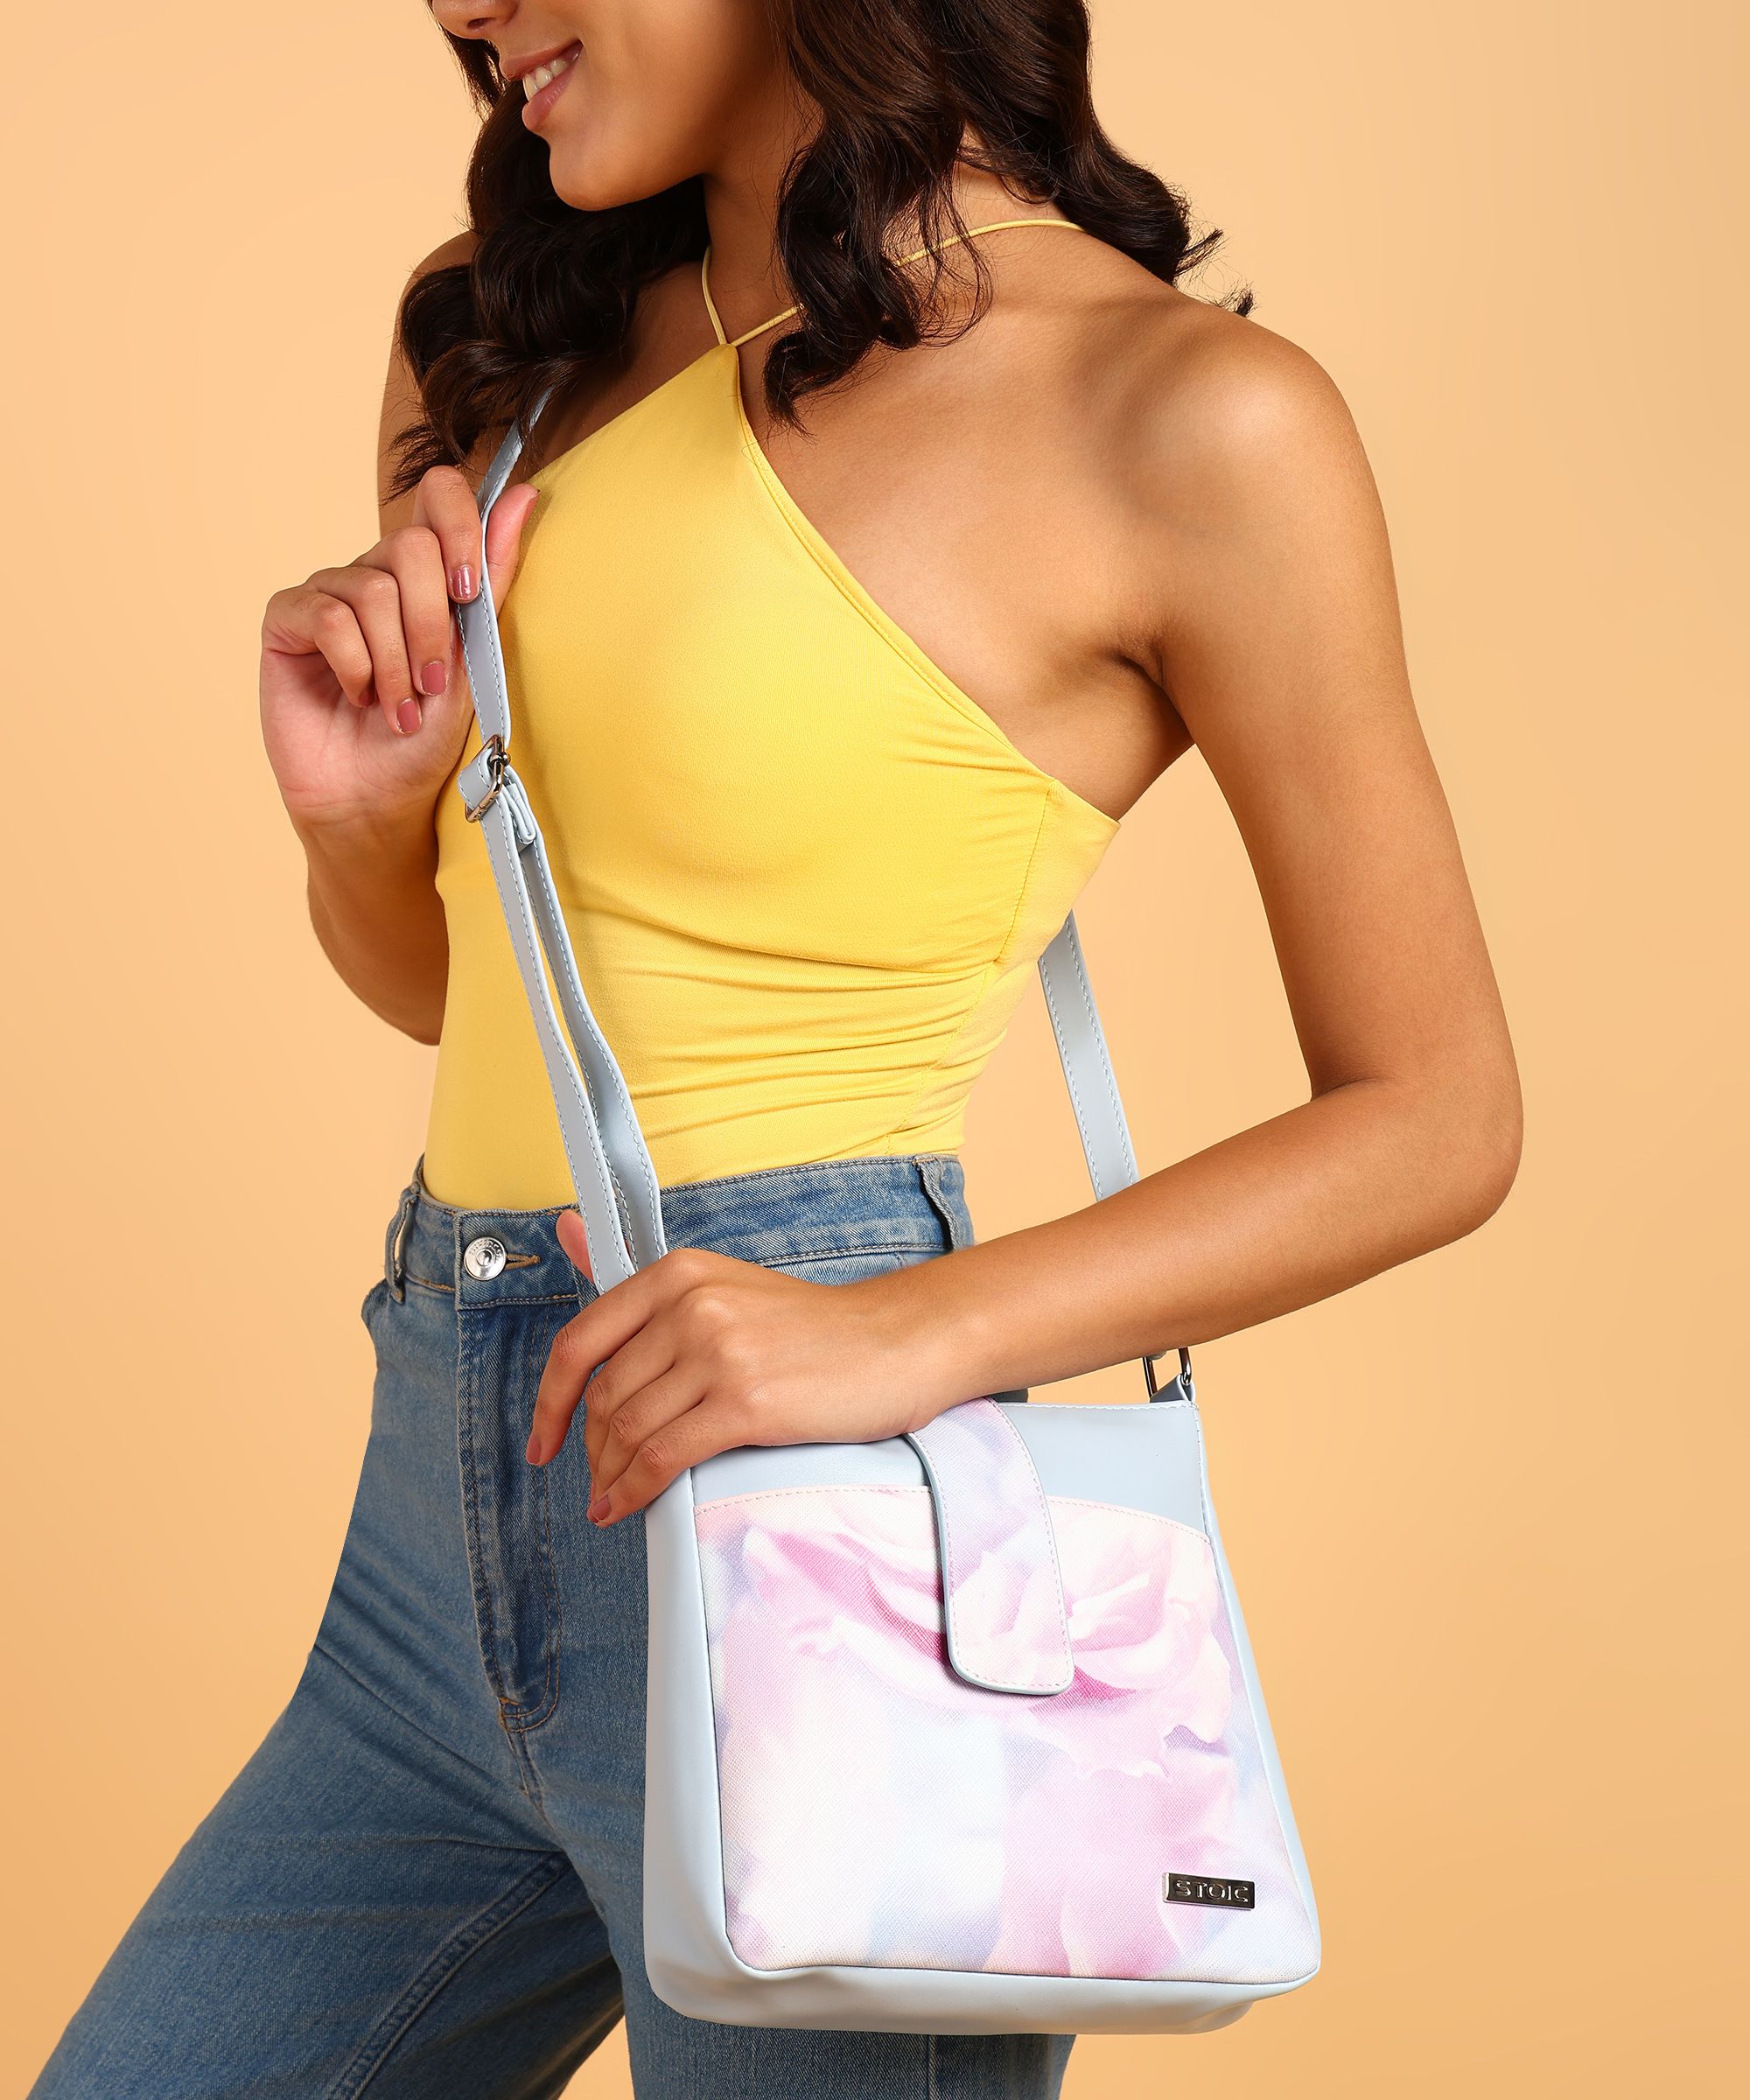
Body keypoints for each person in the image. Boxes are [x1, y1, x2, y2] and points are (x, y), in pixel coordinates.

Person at [31, 2, 1521, 2095]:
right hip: (430, 1531)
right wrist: (361, 819)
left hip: (822, 1526)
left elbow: (1437, 1112)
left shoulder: (1183, 416)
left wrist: (896, 1332)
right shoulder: (502, 341)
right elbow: (461, 996)